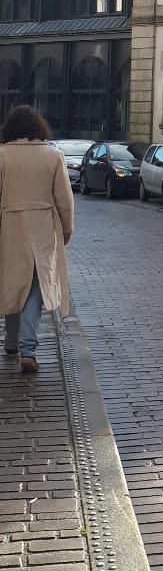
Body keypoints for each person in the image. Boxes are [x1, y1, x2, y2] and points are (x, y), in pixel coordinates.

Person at [0, 106, 73, 374]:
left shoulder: (2, 155)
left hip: (10, 225)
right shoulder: (53, 156)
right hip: (43, 226)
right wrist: (67, 228)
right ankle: (28, 349)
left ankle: (11, 342)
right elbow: (64, 199)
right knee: (34, 288)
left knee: (11, 283)